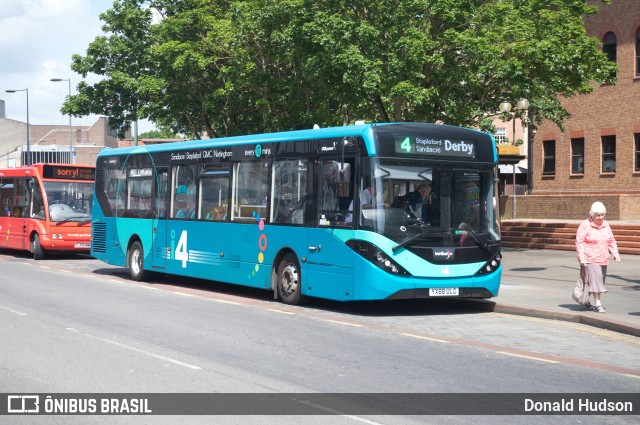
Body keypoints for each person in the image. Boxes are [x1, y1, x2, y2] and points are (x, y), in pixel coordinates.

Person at [575, 201, 621, 313]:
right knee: (596, 281)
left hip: (603, 258)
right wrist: (582, 258)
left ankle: (584, 299)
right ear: (592, 215)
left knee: (597, 281)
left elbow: (611, 240)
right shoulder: (585, 225)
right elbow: (579, 242)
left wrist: (615, 253)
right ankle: (598, 304)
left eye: (602, 215)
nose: (601, 217)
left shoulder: (606, 225)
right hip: (590, 258)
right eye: (598, 215)